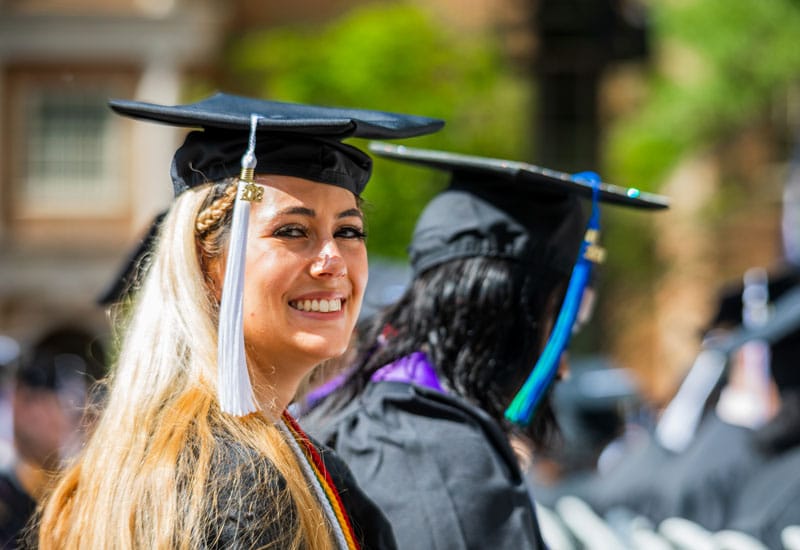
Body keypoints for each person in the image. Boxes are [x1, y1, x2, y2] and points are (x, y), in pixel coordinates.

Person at [30, 93, 443, 549]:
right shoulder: (242, 482)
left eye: (349, 231)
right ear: (209, 266)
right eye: (292, 231)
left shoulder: (159, 449)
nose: (334, 262)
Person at [301, 142, 668, 549]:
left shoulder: (384, 415)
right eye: (561, 326)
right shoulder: (437, 459)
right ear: (503, 316)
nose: (561, 367)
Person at [0, 325, 105, 549]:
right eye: (75, 414)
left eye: (94, 413)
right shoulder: (8, 507)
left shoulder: (92, 507)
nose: (89, 426)